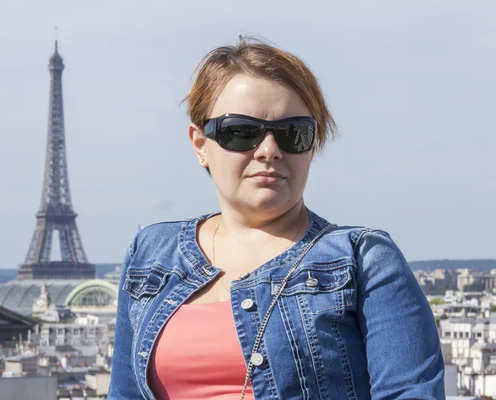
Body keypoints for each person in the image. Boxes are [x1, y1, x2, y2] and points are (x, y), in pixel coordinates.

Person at [108, 37, 444, 400]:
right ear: (200, 144)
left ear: (313, 145)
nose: (269, 151)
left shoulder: (363, 259)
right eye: (240, 131)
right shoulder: (151, 252)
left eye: (293, 134)